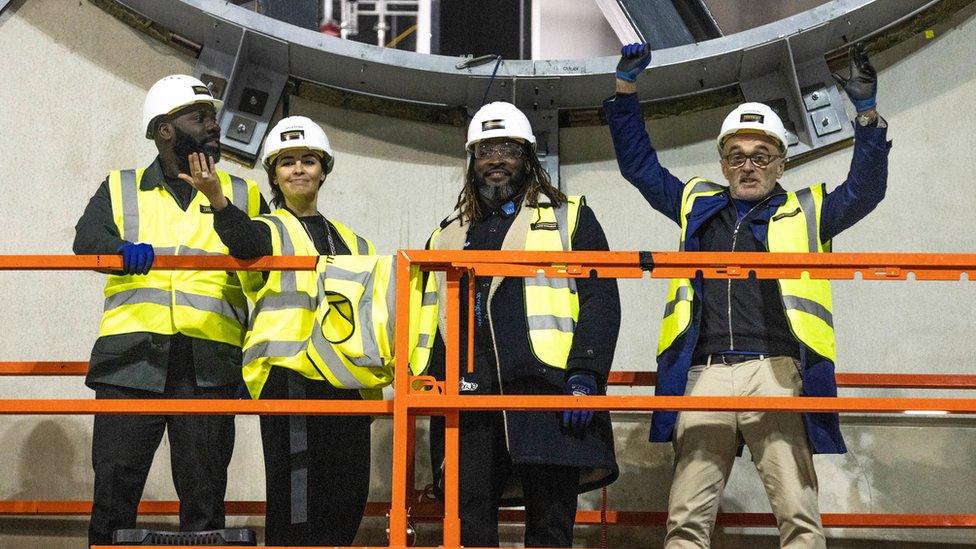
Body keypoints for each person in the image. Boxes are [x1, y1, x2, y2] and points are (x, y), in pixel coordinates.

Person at [605, 43, 891, 548]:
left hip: (776, 373)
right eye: (737, 156)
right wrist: (625, 92)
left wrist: (866, 116)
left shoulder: (808, 210)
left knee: (798, 516)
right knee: (686, 521)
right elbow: (639, 168)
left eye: (762, 156)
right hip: (705, 374)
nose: (749, 166)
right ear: (723, 163)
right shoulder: (695, 203)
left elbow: (865, 190)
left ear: (781, 163)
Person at [411, 101, 621, 547]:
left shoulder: (569, 216)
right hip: (467, 396)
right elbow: (427, 312)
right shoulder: (447, 232)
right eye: (486, 150)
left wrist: (586, 373)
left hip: (546, 391)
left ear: (528, 156)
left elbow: (600, 298)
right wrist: (428, 377)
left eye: (508, 148)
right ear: (473, 161)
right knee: (469, 524)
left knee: (549, 523)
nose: (496, 160)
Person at [73, 74, 265, 545]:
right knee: (115, 493)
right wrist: (120, 249)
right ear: (164, 130)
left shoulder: (241, 194)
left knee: (204, 499)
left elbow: (256, 252)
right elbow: (86, 241)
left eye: (213, 118)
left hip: (209, 364)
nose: (213, 127)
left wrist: (218, 203)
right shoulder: (120, 188)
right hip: (131, 361)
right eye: (199, 118)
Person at [189, 115, 375, 546]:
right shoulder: (269, 228)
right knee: (297, 500)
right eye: (287, 161)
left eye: (308, 160)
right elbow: (244, 241)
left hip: (346, 381)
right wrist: (218, 199)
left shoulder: (354, 241)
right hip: (290, 378)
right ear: (274, 174)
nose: (298, 169)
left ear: (323, 170)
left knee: (347, 493)